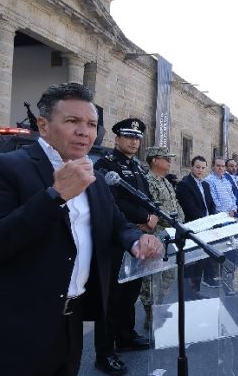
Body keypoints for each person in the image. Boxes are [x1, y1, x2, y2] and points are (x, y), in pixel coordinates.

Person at [0, 83, 163, 376]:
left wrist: (138, 240)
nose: (84, 131)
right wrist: (54, 196)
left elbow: (117, 224)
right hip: (12, 326)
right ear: (43, 124)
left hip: (70, 321)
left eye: (91, 124)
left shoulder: (96, 179)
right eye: (72, 121)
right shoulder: (4, 168)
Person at [91, 118, 158, 374]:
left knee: (130, 292)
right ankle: (105, 352)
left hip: (139, 239)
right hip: (117, 241)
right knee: (111, 298)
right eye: (128, 136)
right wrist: (142, 220)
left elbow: (146, 197)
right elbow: (112, 202)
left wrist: (152, 217)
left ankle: (126, 336)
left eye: (137, 138)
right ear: (117, 138)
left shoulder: (138, 168)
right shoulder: (106, 166)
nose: (134, 141)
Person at [141, 146, 185, 326]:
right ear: (154, 160)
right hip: (156, 235)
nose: (169, 161)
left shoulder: (165, 181)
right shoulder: (148, 180)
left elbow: (176, 205)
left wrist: (181, 222)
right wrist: (174, 223)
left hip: (171, 235)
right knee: (150, 278)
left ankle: (159, 307)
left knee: (168, 274)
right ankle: (150, 313)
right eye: (165, 158)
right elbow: (157, 210)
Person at [175, 156, 216, 296]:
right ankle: (187, 295)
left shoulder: (205, 185)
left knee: (201, 261)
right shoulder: (184, 184)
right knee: (191, 264)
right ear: (192, 167)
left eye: (203, 168)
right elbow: (189, 209)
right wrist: (206, 221)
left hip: (206, 227)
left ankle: (196, 292)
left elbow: (211, 204)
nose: (200, 170)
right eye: (197, 167)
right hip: (192, 229)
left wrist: (213, 219)